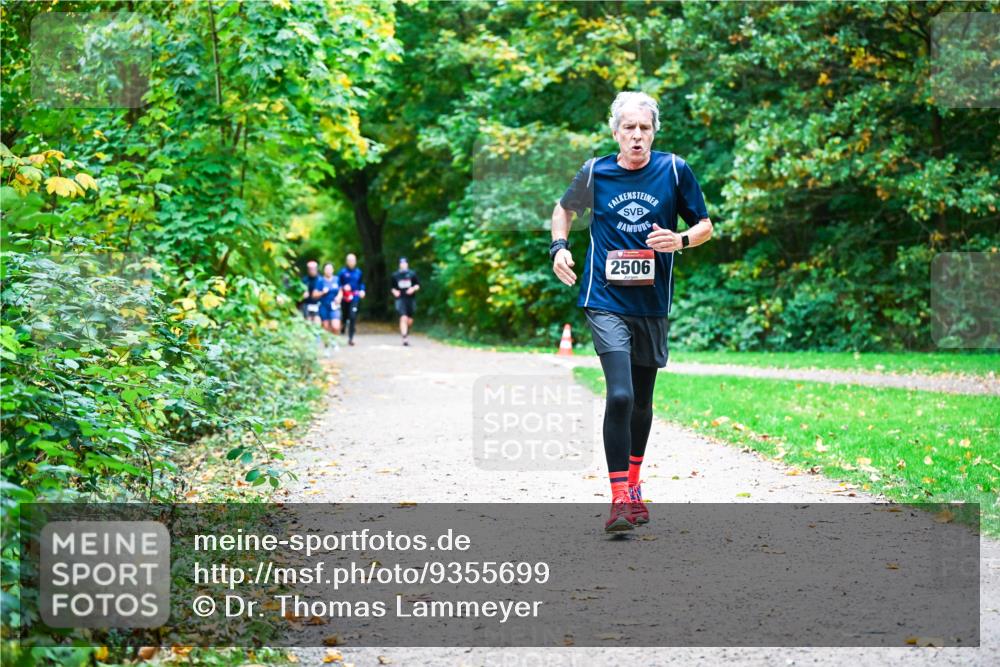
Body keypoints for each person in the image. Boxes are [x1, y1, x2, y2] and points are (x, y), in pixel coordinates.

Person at [550, 91, 713, 533]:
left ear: (653, 131)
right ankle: (619, 497)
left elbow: (704, 225)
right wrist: (559, 247)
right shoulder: (595, 172)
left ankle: (635, 485)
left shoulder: (674, 170)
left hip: (651, 303)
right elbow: (563, 211)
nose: (636, 136)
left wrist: (679, 240)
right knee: (619, 395)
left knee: (642, 401)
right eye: (629, 128)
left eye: (644, 128)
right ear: (615, 132)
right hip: (604, 299)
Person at [337, 253, 366, 346]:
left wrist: (362, 290)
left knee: (352, 316)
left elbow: (361, 283)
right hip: (344, 298)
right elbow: (337, 284)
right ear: (346, 261)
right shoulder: (342, 272)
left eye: (353, 260)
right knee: (345, 315)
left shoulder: (359, 272)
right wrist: (343, 287)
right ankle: (343, 325)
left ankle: (351, 338)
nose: (351, 262)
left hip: (354, 297)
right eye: (349, 260)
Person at [390, 257, 420, 346]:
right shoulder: (395, 275)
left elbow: (418, 285)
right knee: (403, 318)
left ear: (407, 264)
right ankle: (404, 338)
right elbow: (392, 287)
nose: (403, 265)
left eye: (404, 263)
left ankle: (406, 332)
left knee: (409, 320)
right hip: (400, 299)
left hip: (410, 299)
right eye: (401, 263)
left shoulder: (412, 274)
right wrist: (394, 291)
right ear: (399, 264)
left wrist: (413, 289)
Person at [318, 262, 343, 338]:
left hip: (335, 305)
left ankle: (335, 341)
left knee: (335, 326)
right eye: (327, 269)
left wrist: (339, 297)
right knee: (325, 326)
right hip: (324, 305)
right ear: (324, 270)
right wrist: (322, 292)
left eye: (330, 269)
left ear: (333, 270)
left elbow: (340, 290)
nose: (328, 271)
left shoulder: (337, 279)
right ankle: (327, 345)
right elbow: (314, 294)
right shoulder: (320, 280)